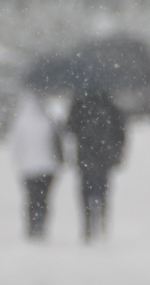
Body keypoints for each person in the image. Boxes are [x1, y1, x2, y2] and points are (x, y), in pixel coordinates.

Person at [65, 88, 126, 242]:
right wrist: (118, 154)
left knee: (86, 189)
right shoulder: (110, 106)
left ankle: (87, 222)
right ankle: (101, 216)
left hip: (86, 155)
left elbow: (70, 128)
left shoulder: (80, 104)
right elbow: (121, 133)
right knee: (102, 187)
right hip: (105, 156)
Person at [10, 92, 62, 240]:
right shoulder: (47, 120)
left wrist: (19, 161)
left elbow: (16, 144)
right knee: (44, 198)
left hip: (28, 167)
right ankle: (41, 224)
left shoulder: (20, 121)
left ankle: (32, 225)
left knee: (32, 198)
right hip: (48, 166)